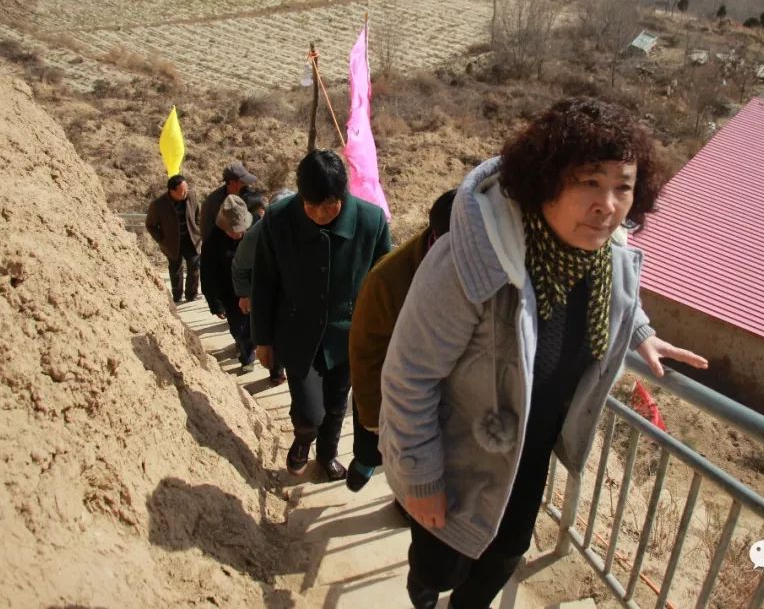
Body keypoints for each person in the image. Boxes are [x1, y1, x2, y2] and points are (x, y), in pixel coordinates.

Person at [378, 97, 708, 609]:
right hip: (460, 453)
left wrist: (639, 330)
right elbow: (408, 375)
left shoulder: (607, 257)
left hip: (529, 456)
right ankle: (422, 591)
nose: (608, 205)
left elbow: (621, 298)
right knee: (438, 564)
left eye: (623, 186)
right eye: (588, 183)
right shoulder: (476, 260)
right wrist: (419, 476)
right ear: (545, 180)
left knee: (503, 558)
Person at [252, 150, 391, 481]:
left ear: (341, 194)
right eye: (310, 206)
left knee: (336, 405)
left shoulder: (371, 222)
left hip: (348, 336)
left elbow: (385, 283)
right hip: (297, 333)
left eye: (328, 206)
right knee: (311, 412)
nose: (318, 214)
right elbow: (265, 281)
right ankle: (303, 440)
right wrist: (263, 339)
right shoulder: (278, 218)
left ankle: (326, 456)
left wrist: (385, 338)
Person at [347, 189, 457, 493]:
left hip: (442, 395)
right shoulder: (387, 279)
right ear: (438, 238)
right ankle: (365, 462)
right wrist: (372, 417)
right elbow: (364, 352)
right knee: (376, 447)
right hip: (393, 388)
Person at [232, 188, 296, 384]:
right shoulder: (257, 235)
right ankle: (277, 372)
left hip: (298, 295)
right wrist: (244, 294)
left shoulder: (307, 227)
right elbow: (239, 266)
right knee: (274, 335)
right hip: (271, 294)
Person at [201, 194, 255, 369]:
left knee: (255, 325)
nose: (237, 234)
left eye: (240, 230)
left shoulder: (255, 233)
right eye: (232, 231)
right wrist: (215, 304)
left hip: (255, 289)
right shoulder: (212, 243)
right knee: (238, 329)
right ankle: (247, 357)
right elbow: (208, 275)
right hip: (230, 294)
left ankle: (248, 347)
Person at [145, 174, 201, 303]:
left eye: (187, 189)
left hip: (191, 239)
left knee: (194, 265)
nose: (186, 193)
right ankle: (177, 296)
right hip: (171, 242)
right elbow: (150, 225)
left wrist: (198, 230)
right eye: (182, 191)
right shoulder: (158, 205)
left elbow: (198, 215)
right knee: (175, 269)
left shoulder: (191, 196)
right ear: (172, 191)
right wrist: (161, 239)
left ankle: (191, 295)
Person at [200, 161, 261, 242]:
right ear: (232, 183)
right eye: (243, 182)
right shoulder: (211, 203)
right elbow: (207, 235)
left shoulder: (249, 196)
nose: (247, 185)